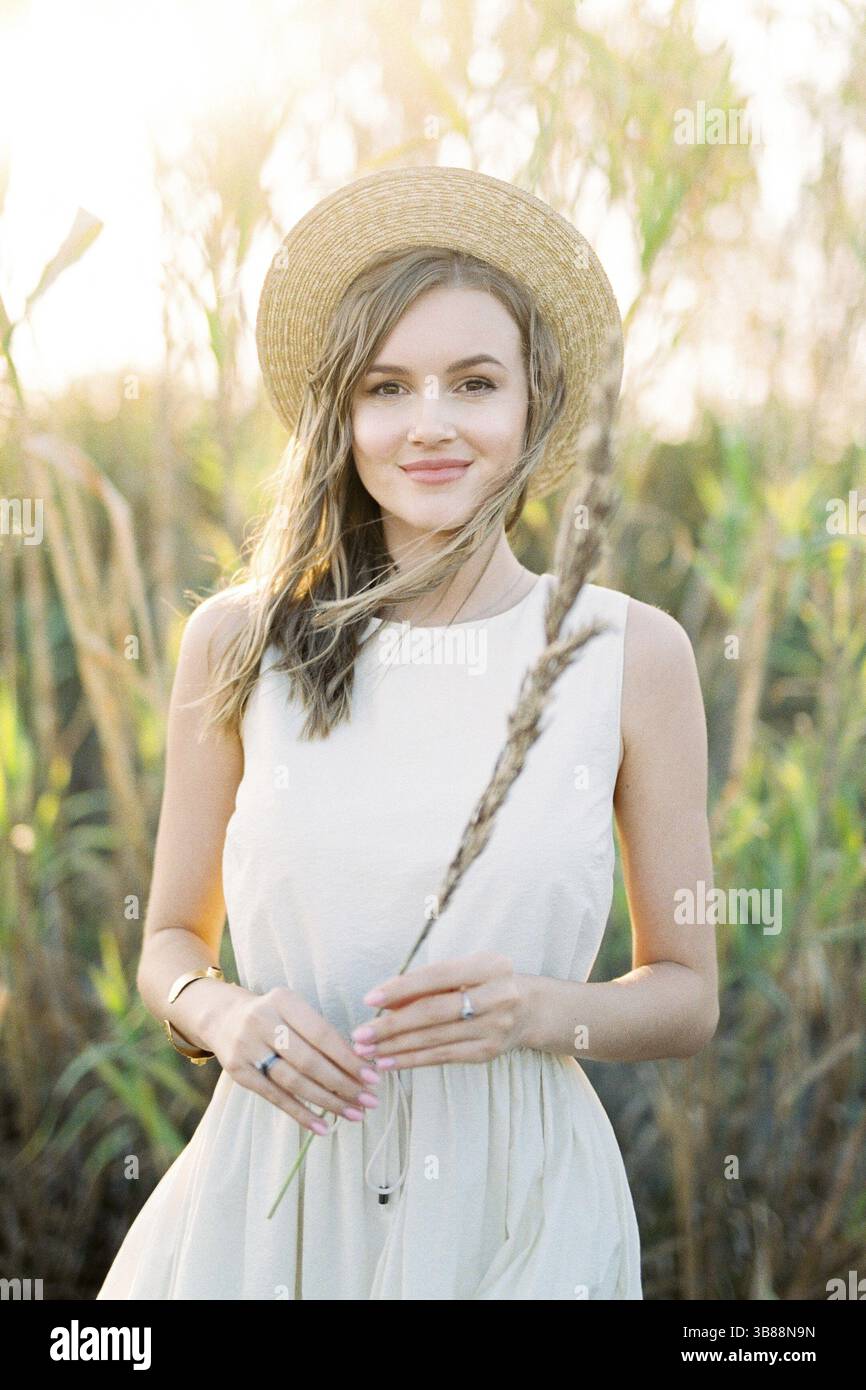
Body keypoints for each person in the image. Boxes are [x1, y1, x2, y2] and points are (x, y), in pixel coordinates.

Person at [97, 166, 718, 1300]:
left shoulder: (630, 655)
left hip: (519, 1207)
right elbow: (167, 943)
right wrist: (224, 1015)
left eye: (472, 382)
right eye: (386, 387)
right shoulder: (238, 641)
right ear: (343, 416)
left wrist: (542, 1011)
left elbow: (684, 989)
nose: (428, 424)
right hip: (271, 1197)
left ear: (532, 404)